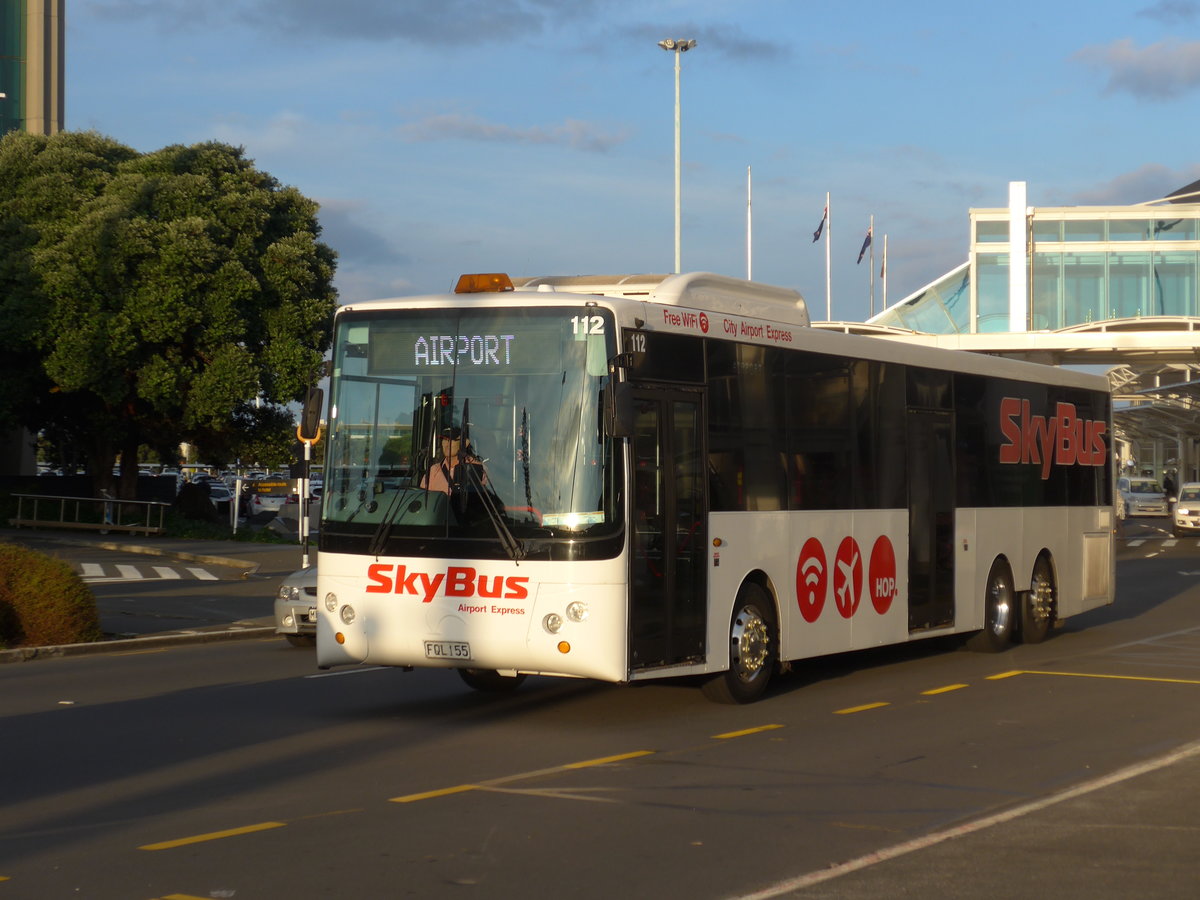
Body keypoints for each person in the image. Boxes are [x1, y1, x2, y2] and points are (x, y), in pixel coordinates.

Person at [420, 426, 485, 495]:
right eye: (444, 439)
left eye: (452, 440)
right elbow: (424, 498)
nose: (447, 444)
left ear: (465, 443)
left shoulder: (477, 469)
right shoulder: (433, 470)